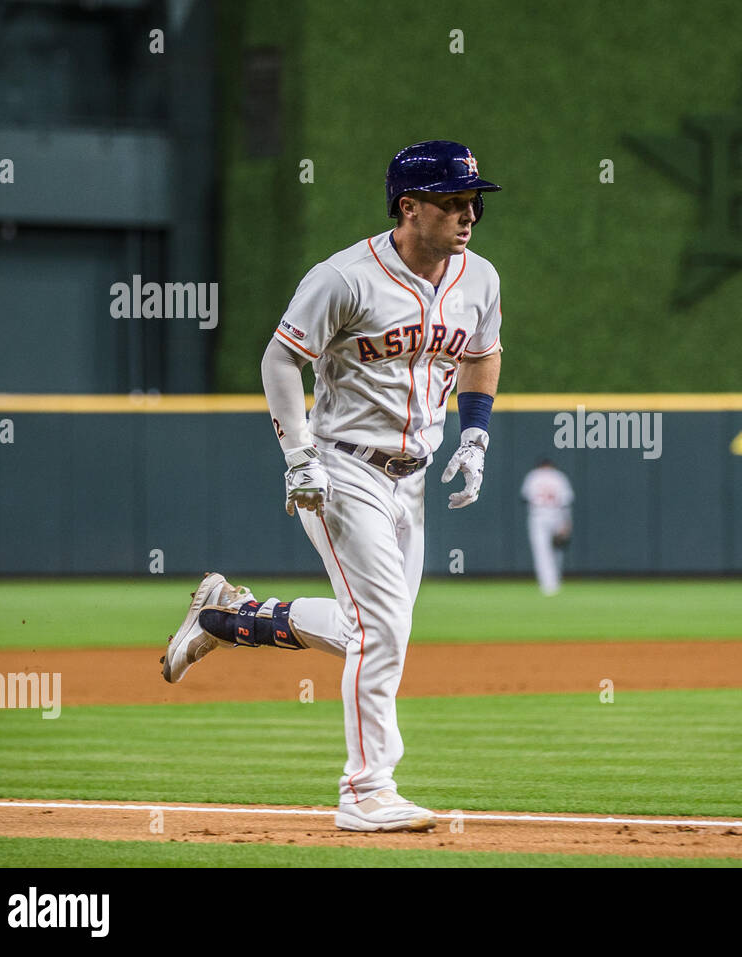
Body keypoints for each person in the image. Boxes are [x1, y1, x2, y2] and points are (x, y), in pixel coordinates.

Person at [159, 140, 503, 833]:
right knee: (383, 630)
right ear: (409, 207)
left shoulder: (480, 277)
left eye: (473, 202)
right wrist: (299, 454)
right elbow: (281, 357)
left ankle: (227, 616)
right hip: (343, 468)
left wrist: (474, 434)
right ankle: (366, 789)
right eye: (451, 201)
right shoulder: (345, 277)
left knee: (365, 633)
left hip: (413, 475)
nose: (468, 214)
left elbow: (483, 351)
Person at [520, 459, 573, 595]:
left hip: (538, 516)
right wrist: (566, 523)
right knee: (557, 550)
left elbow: (525, 498)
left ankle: (548, 584)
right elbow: (566, 502)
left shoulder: (533, 476)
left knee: (541, 552)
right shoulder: (559, 476)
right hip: (557, 515)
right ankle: (555, 581)